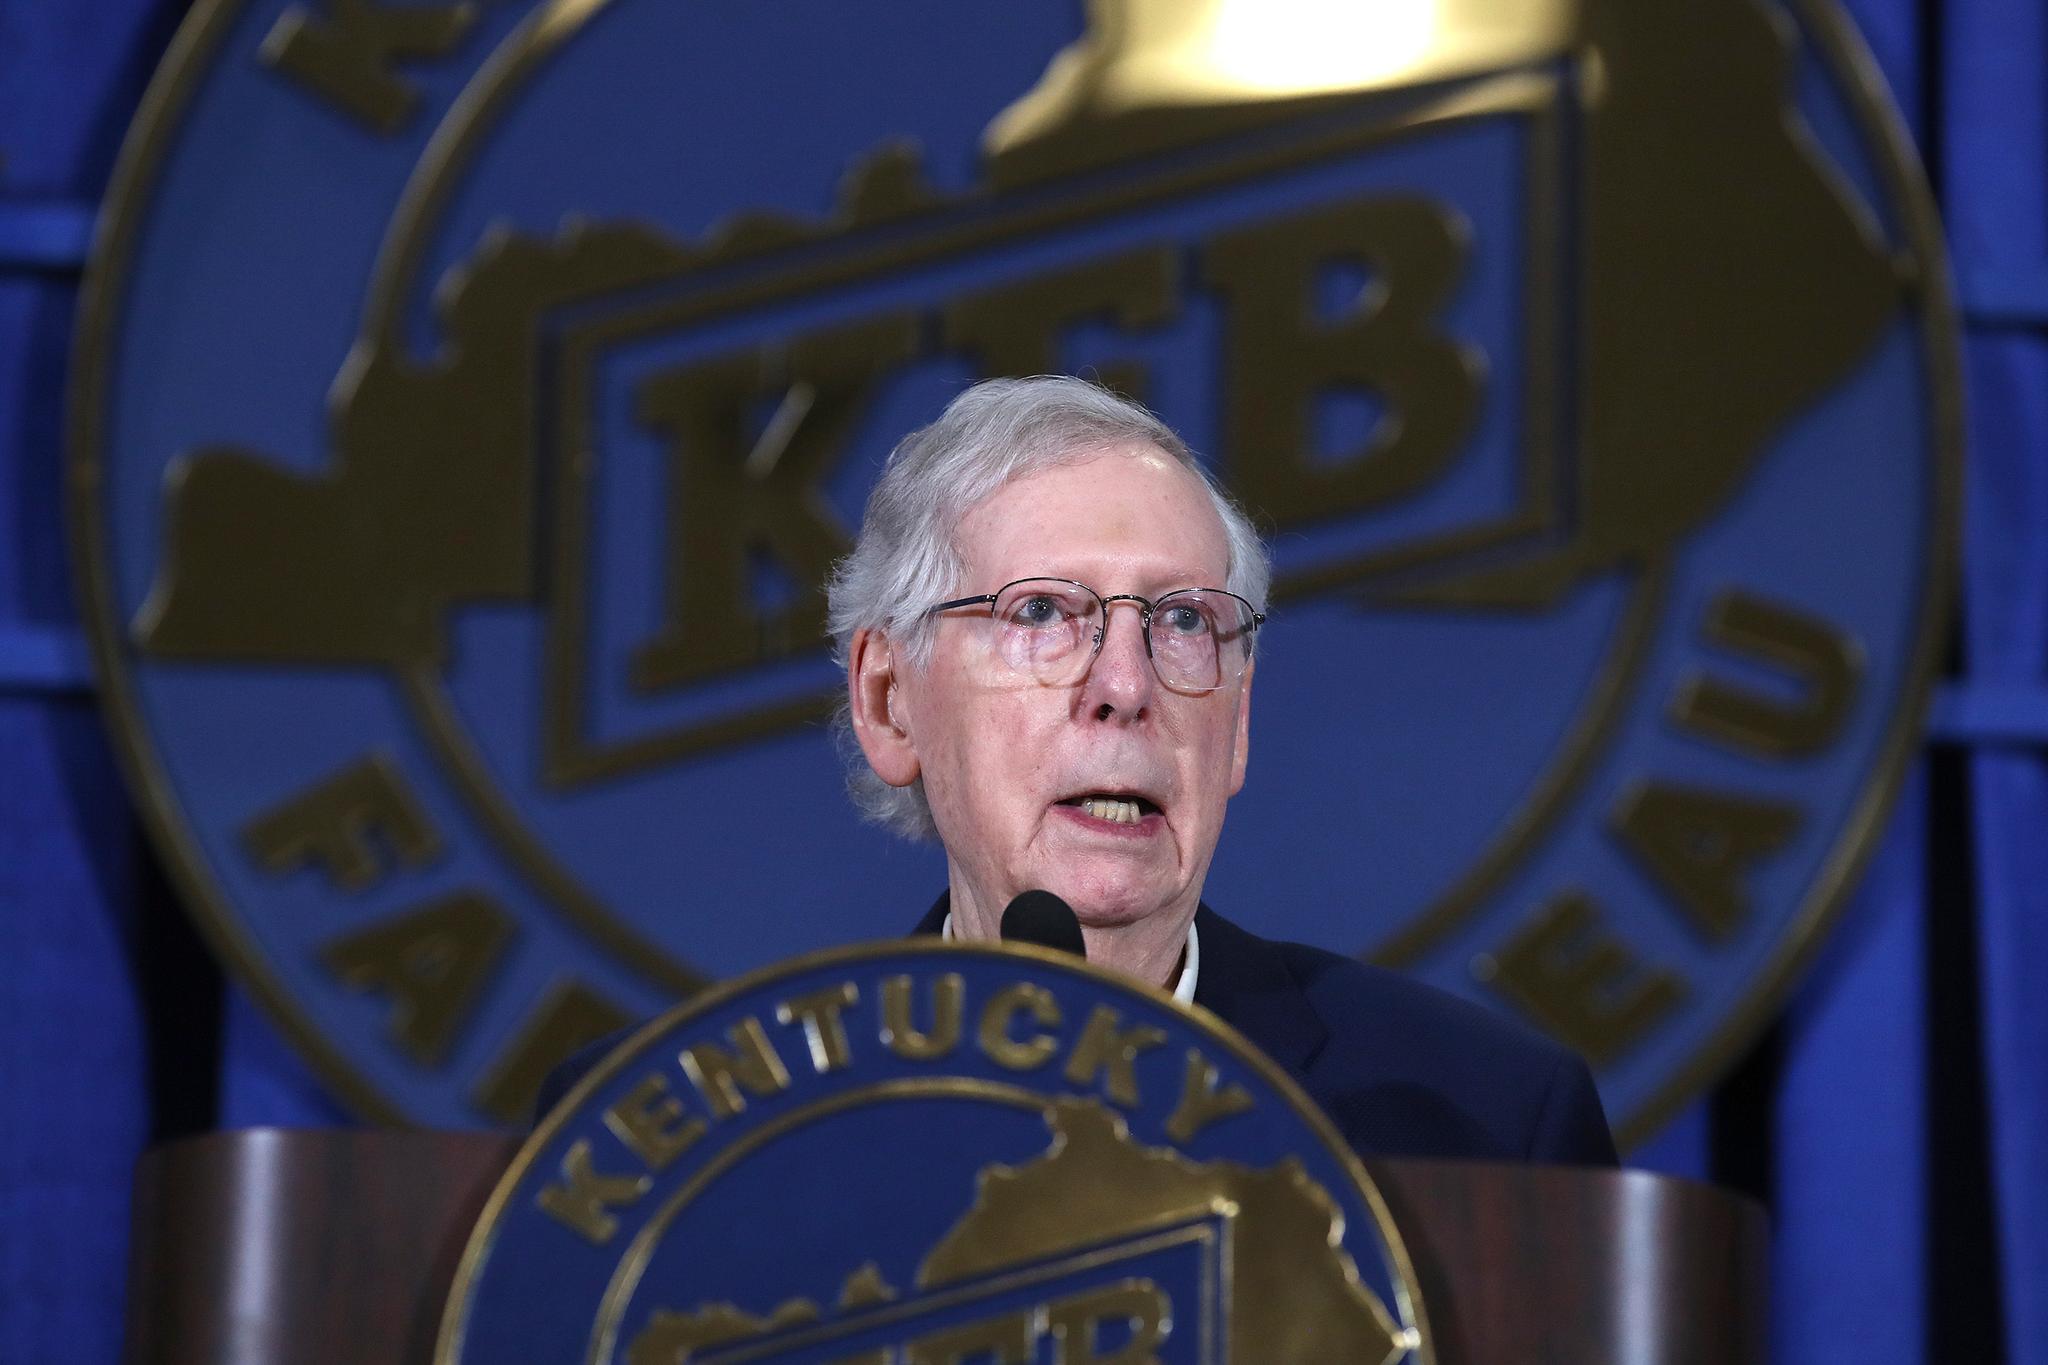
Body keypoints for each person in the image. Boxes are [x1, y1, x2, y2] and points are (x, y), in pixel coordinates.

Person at [543, 376, 1615, 1166]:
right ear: (888, 700)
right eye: (1043, 614)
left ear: (1235, 721)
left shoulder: (1484, 1126)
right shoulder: (673, 1139)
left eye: (1183, 621)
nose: (1122, 684)